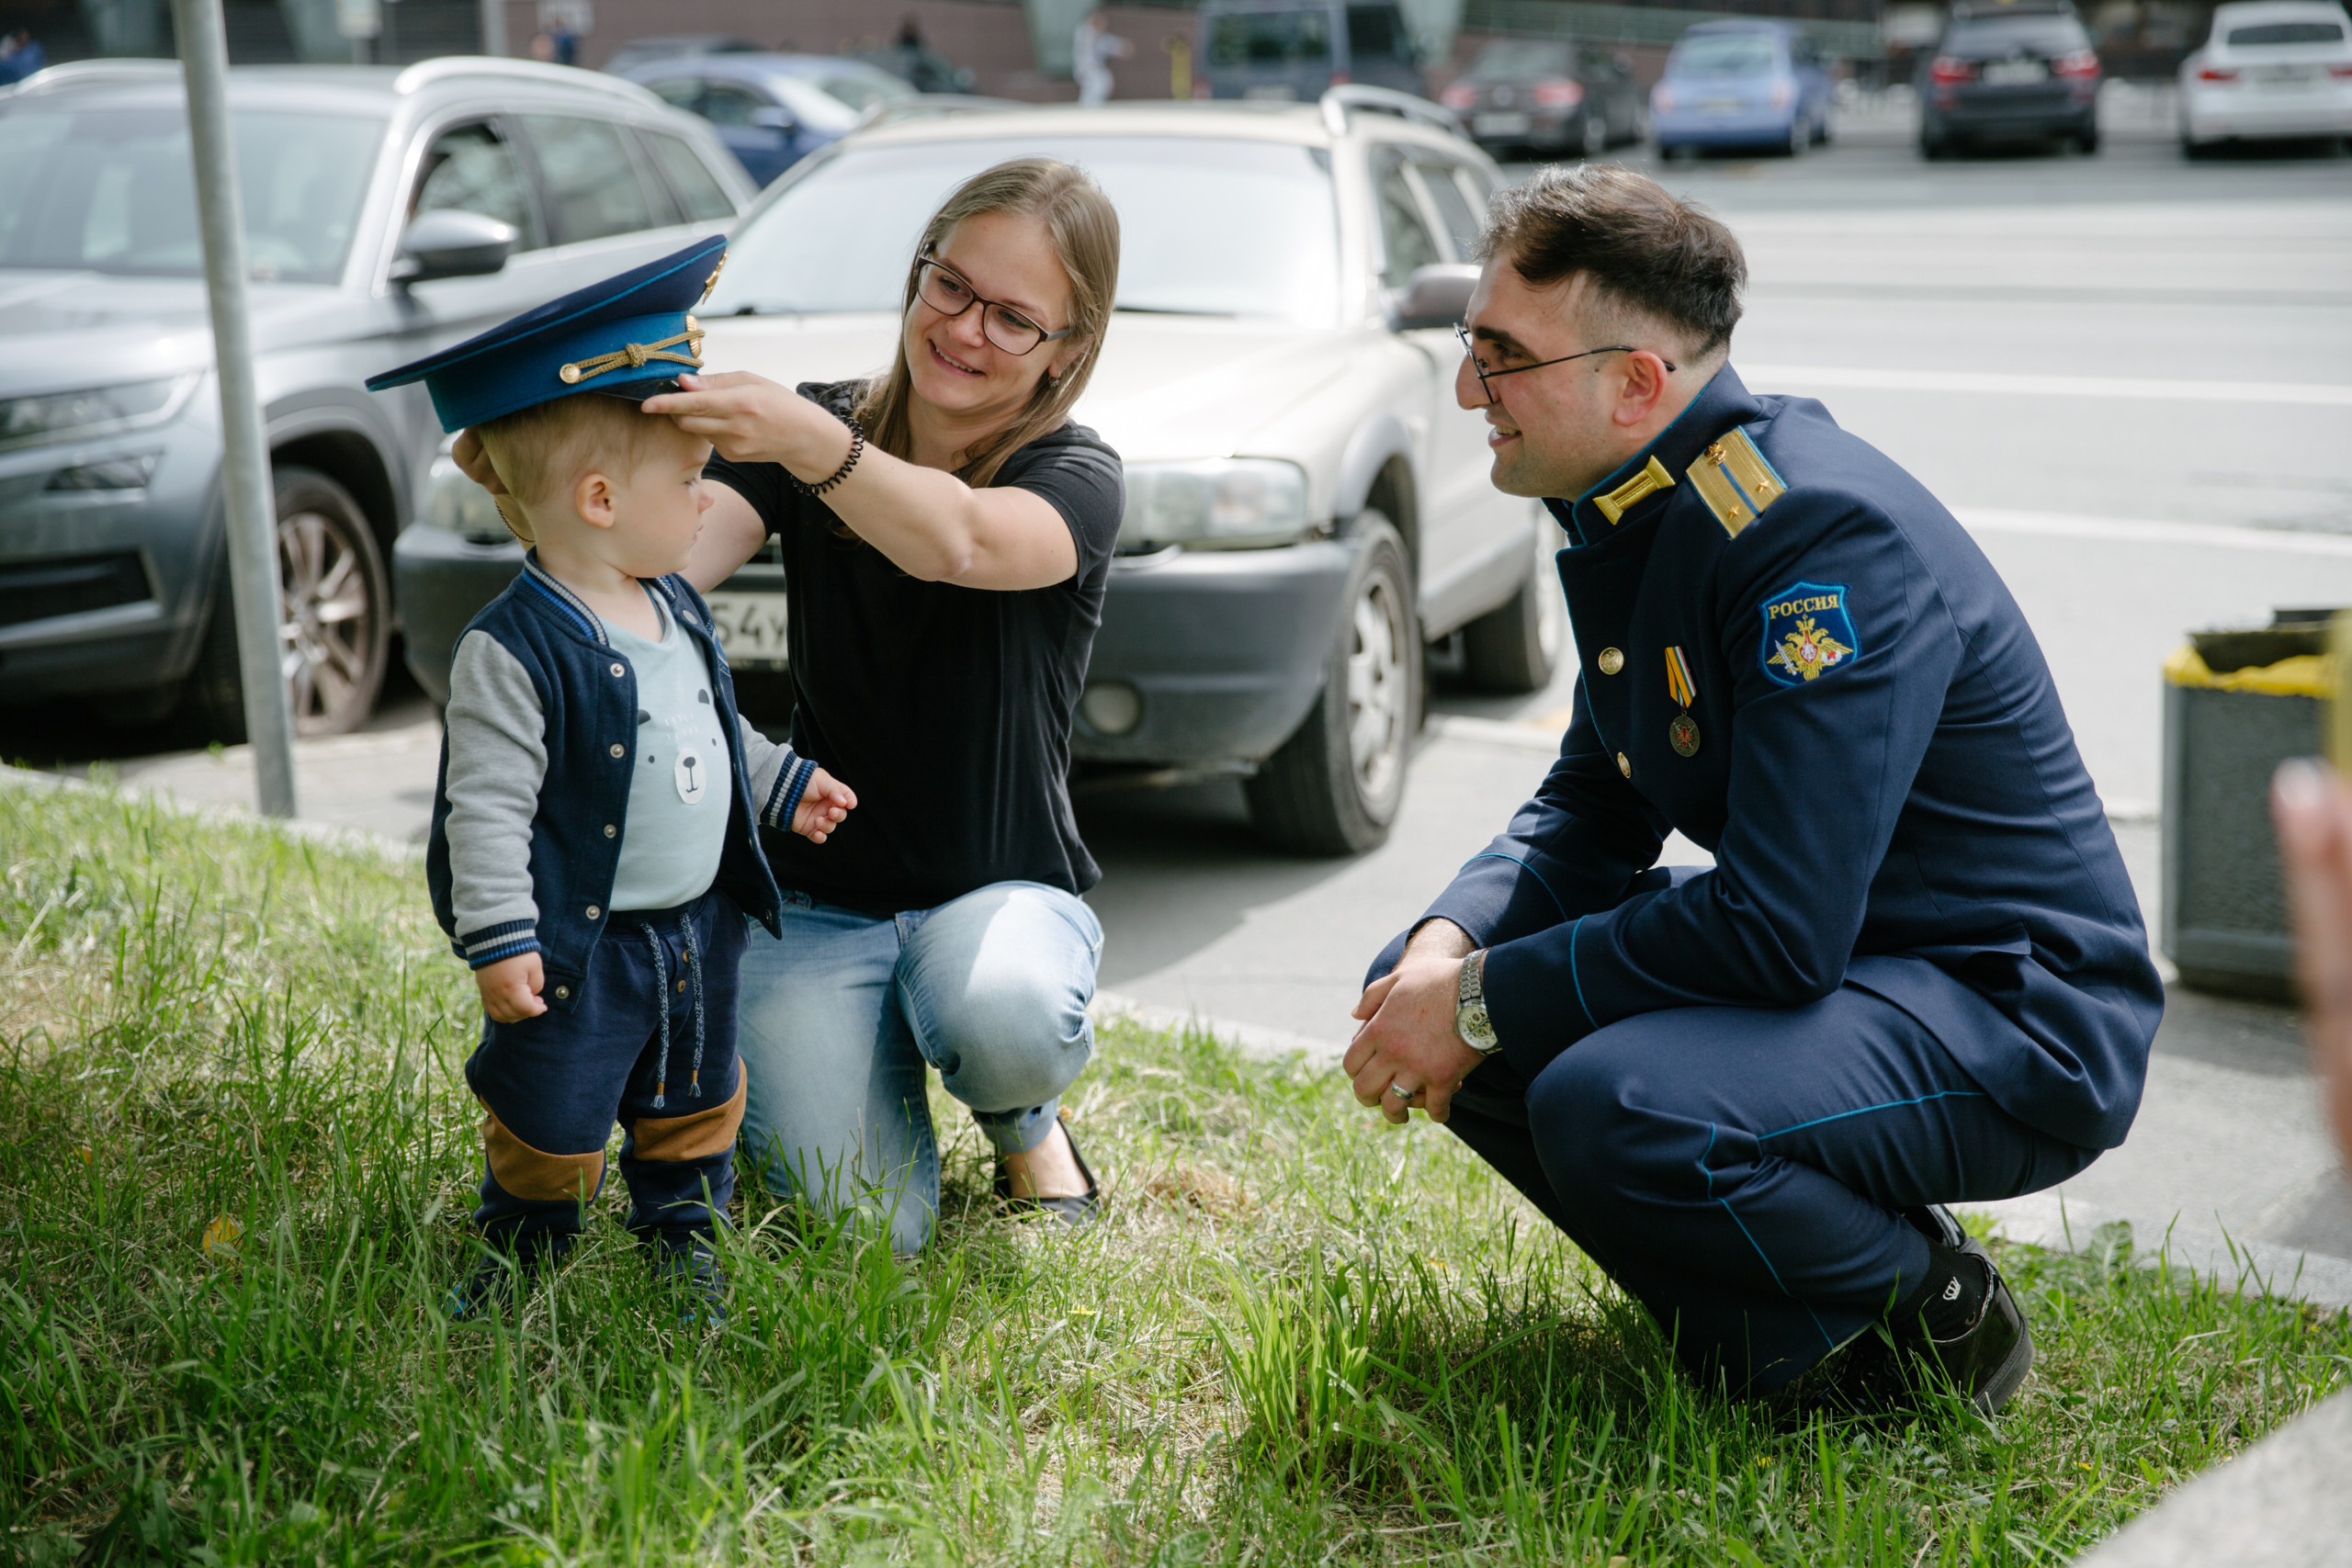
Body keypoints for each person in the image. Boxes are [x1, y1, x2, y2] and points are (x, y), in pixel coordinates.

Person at [1346, 165, 2165, 1409]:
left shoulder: (1814, 538)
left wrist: (1477, 999)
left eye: (1502, 356)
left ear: (1635, 383)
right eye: (1472, 342)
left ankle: (1937, 1310)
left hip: (2009, 1006)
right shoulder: (1652, 504)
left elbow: (1778, 927)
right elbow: (1595, 802)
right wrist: (1450, 949)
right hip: (1860, 965)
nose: (1470, 389)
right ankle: (1774, 1341)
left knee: (1606, 1096)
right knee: (1449, 990)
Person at [460, 160, 1125, 1254]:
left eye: (1014, 318)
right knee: (866, 1233)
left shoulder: (1072, 476)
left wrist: (812, 444)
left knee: (999, 1012)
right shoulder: (812, 434)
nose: (965, 329)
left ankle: (1022, 1123)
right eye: (950, 286)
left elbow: (958, 539)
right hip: (818, 905)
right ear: (918, 274)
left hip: (998, 892)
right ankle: (875, 1061)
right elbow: (651, 564)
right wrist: (548, 483)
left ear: (1068, 349)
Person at [368, 239, 856, 1319]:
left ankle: (684, 1227)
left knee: (694, 1095)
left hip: (694, 927)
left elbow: (711, 727)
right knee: (553, 1107)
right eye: (688, 482)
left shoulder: (672, 600)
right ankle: (522, 1238)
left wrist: (779, 786)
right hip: (578, 946)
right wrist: (499, 937)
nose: (704, 502)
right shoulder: (516, 649)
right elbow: (485, 807)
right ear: (597, 497)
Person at [1073, 11, 1131, 107]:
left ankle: (1093, 107)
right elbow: (1084, 48)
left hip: (1095, 68)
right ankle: (1086, 108)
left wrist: (1121, 48)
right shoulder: (1084, 33)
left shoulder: (1098, 37)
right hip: (1086, 68)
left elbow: (1108, 44)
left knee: (1102, 83)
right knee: (1097, 85)